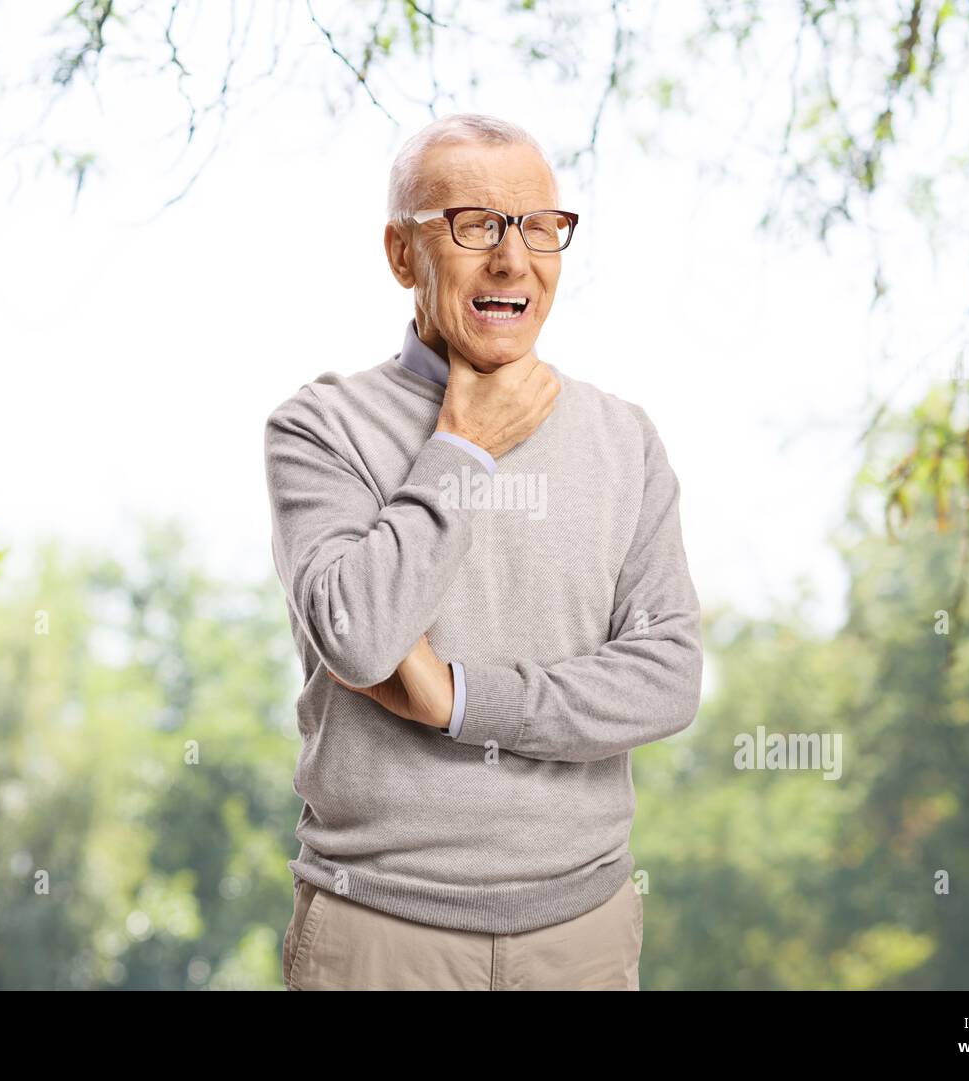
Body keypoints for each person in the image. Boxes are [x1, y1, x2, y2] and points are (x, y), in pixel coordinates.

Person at [264, 112, 703, 990]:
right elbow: (357, 633)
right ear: (401, 255)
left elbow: (667, 678)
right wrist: (461, 448)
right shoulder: (319, 427)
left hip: (583, 933)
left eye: (540, 227)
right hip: (380, 932)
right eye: (475, 226)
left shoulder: (625, 438)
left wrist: (462, 698)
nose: (514, 259)